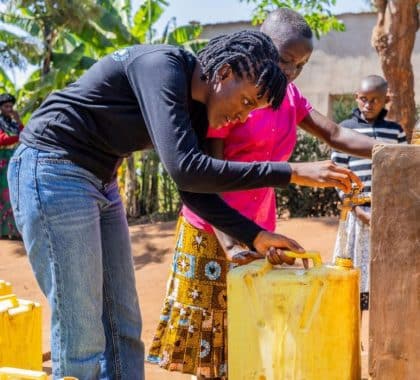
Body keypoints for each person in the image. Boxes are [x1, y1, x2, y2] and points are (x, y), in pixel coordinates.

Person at [8, 30, 359, 379]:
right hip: (53, 168)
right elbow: (186, 170)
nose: (242, 117)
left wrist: (255, 235)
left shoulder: (197, 111)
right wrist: (290, 172)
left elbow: (194, 190)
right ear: (223, 74)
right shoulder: (162, 68)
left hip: (101, 180)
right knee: (81, 331)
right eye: (247, 102)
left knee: (123, 326)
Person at [147, 9, 376, 380]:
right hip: (213, 232)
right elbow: (208, 177)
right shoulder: (235, 96)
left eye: (301, 65)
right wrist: (231, 244)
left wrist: (389, 151)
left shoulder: (290, 98)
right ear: (261, 44)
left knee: (251, 335)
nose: (291, 72)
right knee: (210, 350)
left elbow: (334, 134)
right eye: (286, 60)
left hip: (259, 229)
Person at [331, 74, 406, 336]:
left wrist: (388, 211)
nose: (369, 104)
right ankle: (349, 339)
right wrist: (356, 210)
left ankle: (382, 340)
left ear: (386, 99)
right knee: (352, 279)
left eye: (375, 99)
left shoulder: (395, 132)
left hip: (388, 216)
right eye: (364, 99)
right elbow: (338, 174)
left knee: (385, 279)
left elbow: (402, 172)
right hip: (355, 215)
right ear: (356, 97)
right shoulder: (345, 129)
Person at [0, 93, 23, 239]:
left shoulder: (13, 123)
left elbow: (26, 133)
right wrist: (19, 136)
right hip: (2, 163)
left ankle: (14, 230)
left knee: (15, 194)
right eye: (6, 106)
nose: (9, 108)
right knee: (4, 196)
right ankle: (5, 231)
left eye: (10, 106)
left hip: (14, 161)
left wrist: (19, 120)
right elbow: (3, 140)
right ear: (0, 108)